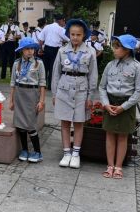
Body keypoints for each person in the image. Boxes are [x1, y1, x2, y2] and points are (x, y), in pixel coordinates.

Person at [52, 19, 98, 169]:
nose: (75, 37)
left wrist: (90, 97)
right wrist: (54, 93)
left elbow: (93, 76)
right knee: (64, 122)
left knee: (79, 122)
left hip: (81, 90)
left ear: (84, 35)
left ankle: (76, 153)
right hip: (64, 89)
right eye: (72, 34)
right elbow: (56, 74)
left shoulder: (90, 52)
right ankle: (66, 153)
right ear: (68, 34)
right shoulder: (62, 51)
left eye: (78, 34)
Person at [99, 34, 140, 179]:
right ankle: (110, 165)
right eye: (115, 46)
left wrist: (123, 107)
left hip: (127, 104)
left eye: (117, 47)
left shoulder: (137, 67)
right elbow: (102, 87)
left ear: (127, 49)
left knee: (123, 136)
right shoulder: (110, 65)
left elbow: (138, 90)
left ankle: (118, 166)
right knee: (110, 134)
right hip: (110, 102)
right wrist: (106, 104)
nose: (114, 49)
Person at [9, 38, 46, 163]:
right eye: (27, 49)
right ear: (22, 51)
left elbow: (42, 83)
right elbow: (13, 83)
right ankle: (24, 150)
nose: (30, 51)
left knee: (30, 125)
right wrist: (11, 100)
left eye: (32, 49)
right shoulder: (16, 63)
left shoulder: (38, 63)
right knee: (20, 125)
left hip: (32, 94)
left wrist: (41, 101)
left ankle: (37, 152)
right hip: (19, 93)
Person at [39, 14, 69, 90]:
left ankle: (43, 84)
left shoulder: (47, 27)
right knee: (53, 68)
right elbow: (68, 39)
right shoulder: (60, 29)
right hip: (55, 50)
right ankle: (50, 86)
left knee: (45, 67)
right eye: (63, 21)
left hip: (46, 49)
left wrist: (41, 49)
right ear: (60, 21)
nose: (64, 23)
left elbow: (41, 40)